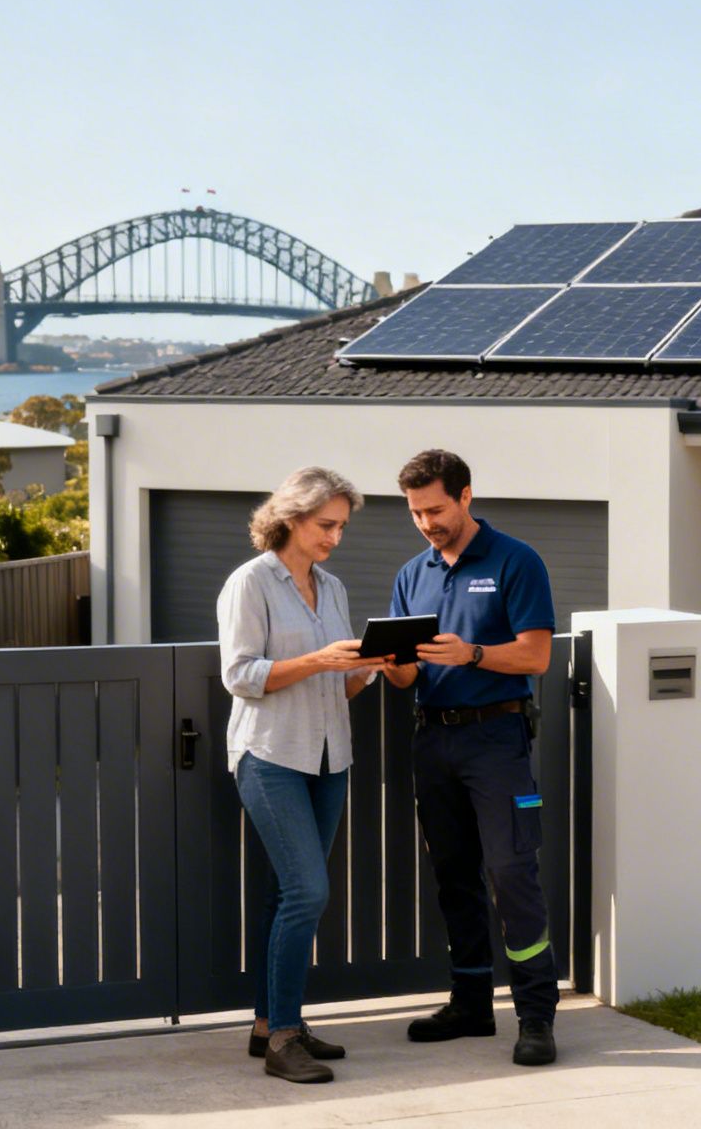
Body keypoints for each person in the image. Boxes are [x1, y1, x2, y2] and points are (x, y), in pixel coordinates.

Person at [384, 449, 560, 1067]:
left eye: (434, 509)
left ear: (464, 496)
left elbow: (536, 656)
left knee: (512, 872)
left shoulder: (517, 560)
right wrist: (393, 664)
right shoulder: (413, 574)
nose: (427, 522)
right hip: (432, 739)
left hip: (496, 740)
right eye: (415, 513)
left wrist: (473, 655)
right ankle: (471, 1004)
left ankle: (536, 1015)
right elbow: (407, 679)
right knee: (453, 874)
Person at [217, 466, 389, 1084]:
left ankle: (270, 1023)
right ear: (290, 517)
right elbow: (239, 675)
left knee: (286, 893)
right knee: (307, 893)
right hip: (270, 758)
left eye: (341, 526)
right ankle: (284, 1039)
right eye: (326, 525)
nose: (335, 537)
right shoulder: (250, 583)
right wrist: (318, 658)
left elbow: (335, 688)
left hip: (329, 758)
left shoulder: (334, 588)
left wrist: (367, 666)